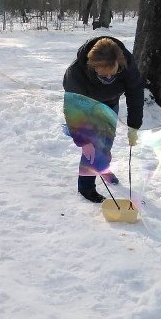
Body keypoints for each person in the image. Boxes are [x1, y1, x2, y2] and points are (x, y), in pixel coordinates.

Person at [62, 36, 143, 203]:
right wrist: (83, 141)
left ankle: (103, 168)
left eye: (112, 73)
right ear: (92, 66)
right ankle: (86, 188)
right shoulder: (75, 73)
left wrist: (134, 126)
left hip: (111, 104)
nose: (108, 77)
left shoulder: (126, 63)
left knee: (106, 142)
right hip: (85, 107)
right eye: (102, 73)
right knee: (93, 146)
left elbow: (135, 92)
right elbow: (73, 111)